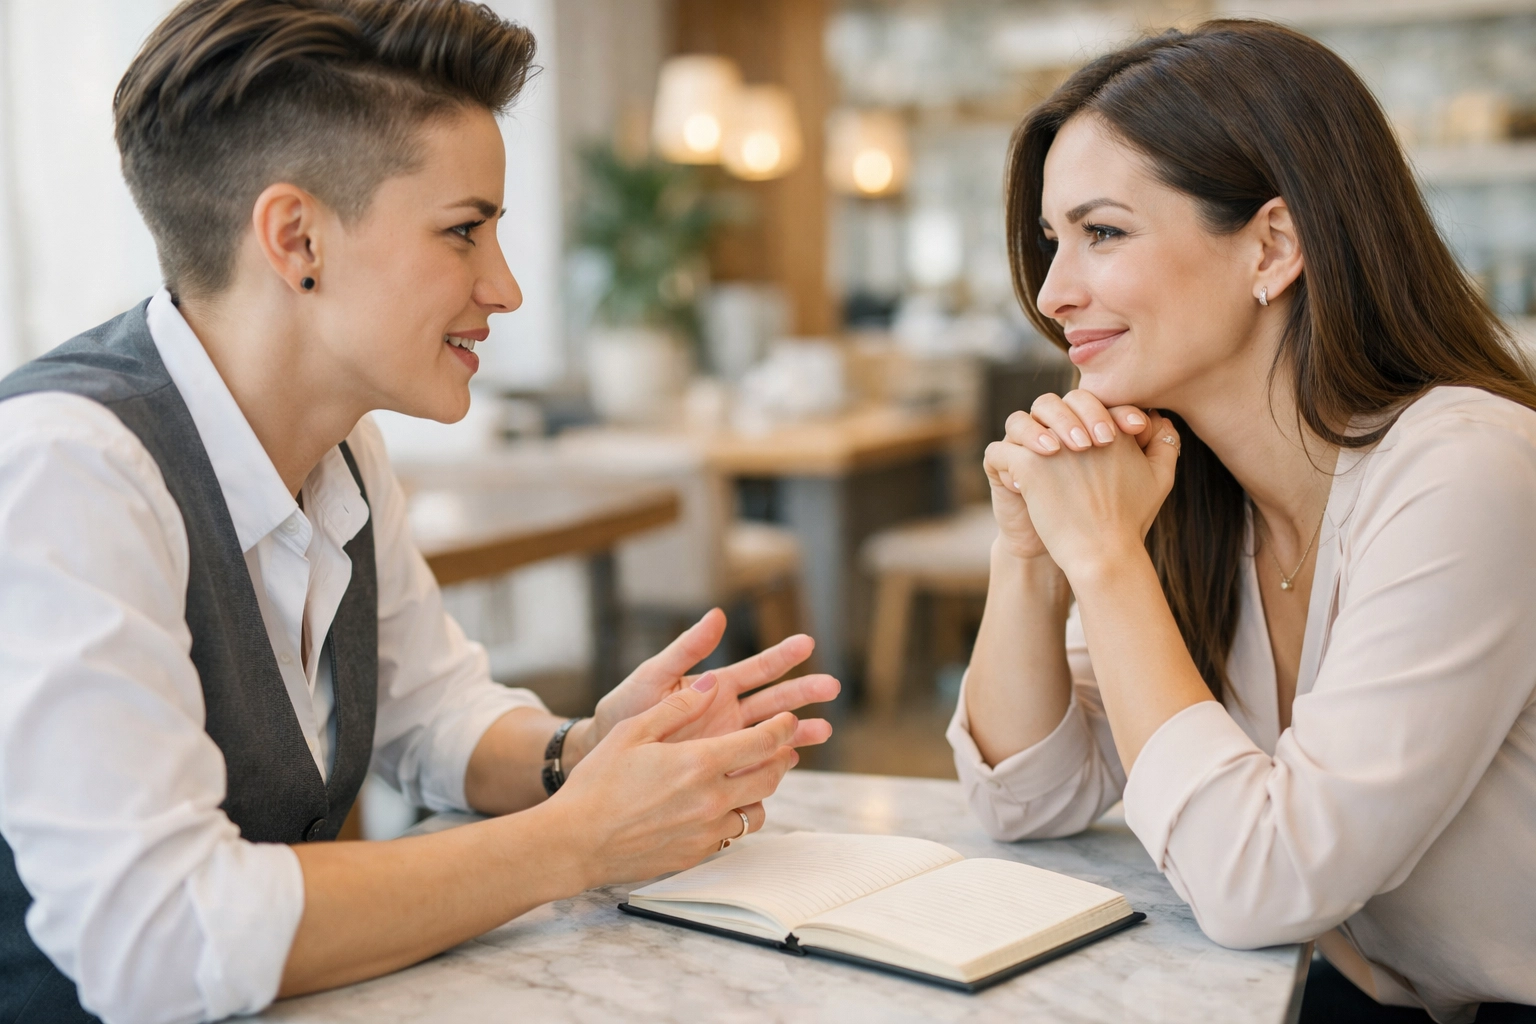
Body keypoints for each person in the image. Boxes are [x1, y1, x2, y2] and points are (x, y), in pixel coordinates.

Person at [0, 2, 841, 1021]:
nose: (508, 287)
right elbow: (161, 934)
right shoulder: (66, 466)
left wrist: (582, 753)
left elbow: (431, 714)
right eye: (464, 231)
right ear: (296, 237)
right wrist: (576, 836)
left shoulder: (343, 444)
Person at [949, 20, 1536, 1024]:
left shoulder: (1469, 469)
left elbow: (1265, 882)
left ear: (1271, 246)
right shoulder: (1191, 489)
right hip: (1337, 991)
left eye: (1103, 232)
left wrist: (1106, 556)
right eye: (1054, 242)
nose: (1052, 295)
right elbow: (1026, 801)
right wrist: (1031, 552)